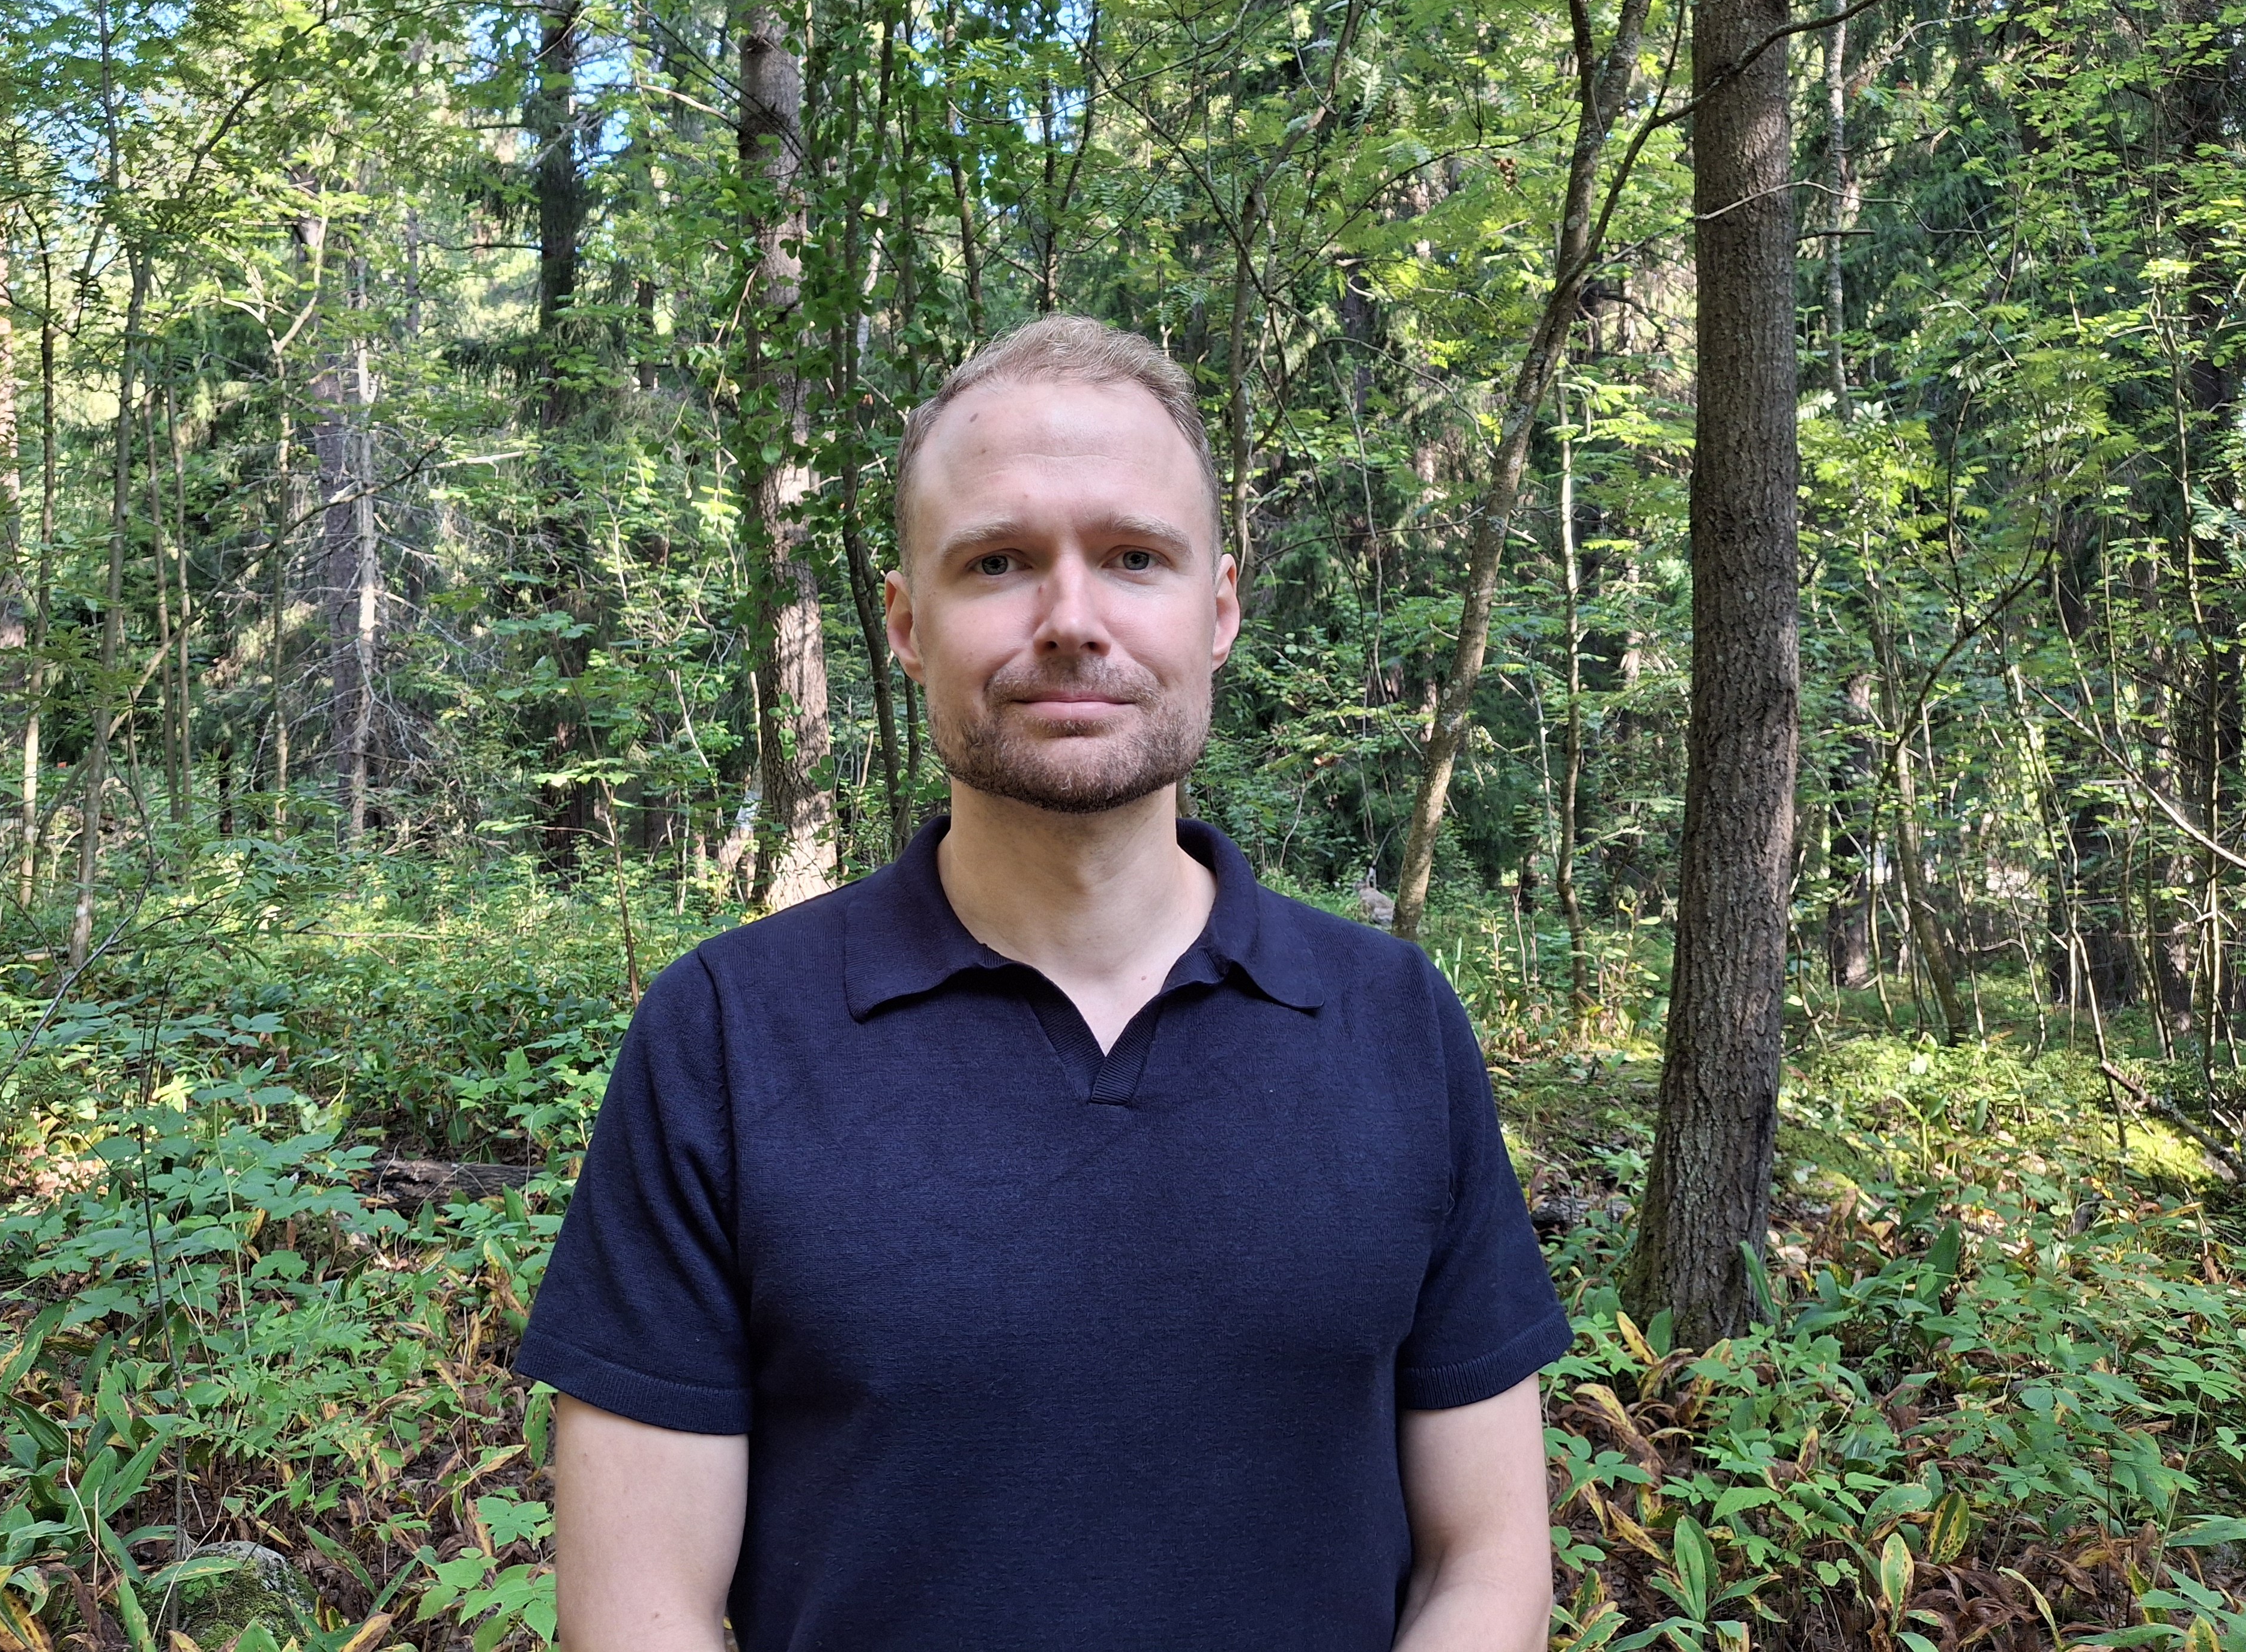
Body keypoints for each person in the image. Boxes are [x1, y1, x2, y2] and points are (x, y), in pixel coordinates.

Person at [517, 316, 1572, 1652]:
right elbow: (642, 1612)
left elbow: (1486, 1562)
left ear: (1219, 610)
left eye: (1134, 558)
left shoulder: (1394, 1022)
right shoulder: (726, 1037)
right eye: (999, 562)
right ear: (907, 624)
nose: (1072, 621)